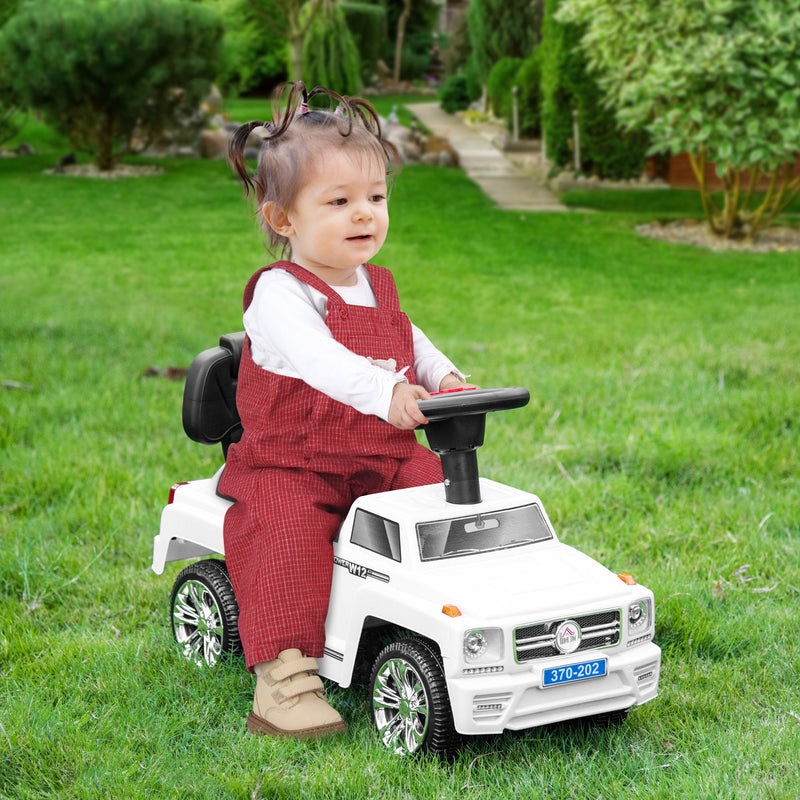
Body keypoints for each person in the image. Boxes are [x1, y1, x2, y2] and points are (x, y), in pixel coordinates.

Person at [219, 82, 469, 740]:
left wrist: (443, 377)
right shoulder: (280, 295)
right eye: (339, 202)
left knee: (453, 506)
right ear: (284, 220)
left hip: (380, 460)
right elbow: (320, 360)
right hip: (293, 463)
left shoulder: (374, 283)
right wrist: (385, 393)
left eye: (376, 198)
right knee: (286, 537)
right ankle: (284, 679)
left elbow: (409, 341)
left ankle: (465, 620)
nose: (365, 215)